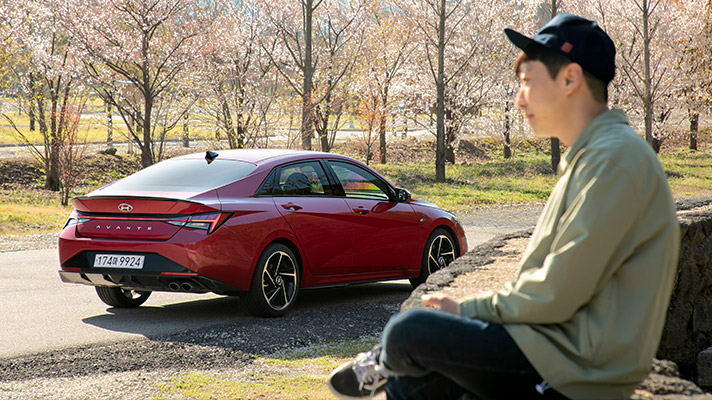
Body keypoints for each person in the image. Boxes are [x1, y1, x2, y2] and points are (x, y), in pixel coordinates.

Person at [327, 13, 680, 400]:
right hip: (556, 351)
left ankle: (382, 360)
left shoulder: (614, 161)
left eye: (528, 82)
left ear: (569, 79)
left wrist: (467, 311)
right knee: (414, 378)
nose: (518, 97)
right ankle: (385, 364)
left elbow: (558, 290)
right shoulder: (598, 156)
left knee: (408, 333)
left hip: (576, 371)